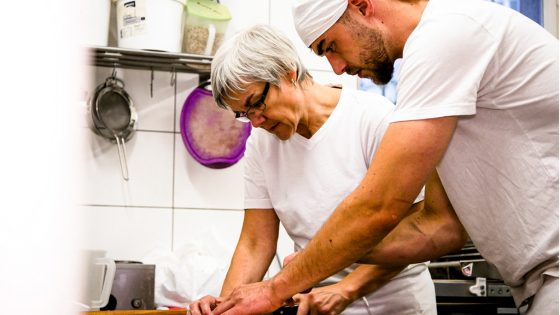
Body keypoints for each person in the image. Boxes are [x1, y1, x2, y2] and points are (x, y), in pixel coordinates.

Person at [213, 0, 559, 314]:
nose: (335, 68)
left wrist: (278, 287)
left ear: (362, 7)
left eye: (331, 46)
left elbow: (379, 208)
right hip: (539, 281)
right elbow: (440, 227)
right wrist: (318, 259)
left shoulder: (448, 33)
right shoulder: (436, 57)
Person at [187, 24, 446, 315]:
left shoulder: (373, 118)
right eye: (244, 115)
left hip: (397, 306)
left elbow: (416, 227)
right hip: (312, 305)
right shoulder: (261, 145)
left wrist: (345, 289)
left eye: (256, 103)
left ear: (288, 72)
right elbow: (255, 242)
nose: (256, 121)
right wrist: (225, 307)